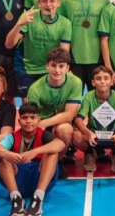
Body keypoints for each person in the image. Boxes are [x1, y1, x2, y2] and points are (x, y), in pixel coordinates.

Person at [0, 102, 63, 216]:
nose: (28, 121)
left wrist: (35, 151)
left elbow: (60, 144)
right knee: (2, 156)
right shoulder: (12, 137)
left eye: (32, 117)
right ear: (19, 121)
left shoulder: (44, 135)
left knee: (52, 152)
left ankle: (38, 199)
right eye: (24, 118)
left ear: (39, 120)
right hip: (19, 181)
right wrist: (7, 153)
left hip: (39, 179)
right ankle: (16, 200)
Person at [26, 47, 82, 178]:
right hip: (41, 125)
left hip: (59, 123)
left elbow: (69, 115)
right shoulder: (35, 88)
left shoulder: (75, 83)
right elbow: (32, 117)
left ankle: (56, 162)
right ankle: (43, 160)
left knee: (65, 129)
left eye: (61, 66)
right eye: (53, 65)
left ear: (68, 68)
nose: (57, 70)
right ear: (47, 66)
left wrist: (45, 122)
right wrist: (40, 126)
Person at [6, 0, 71, 95]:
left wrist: (62, 72)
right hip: (26, 68)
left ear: (58, 3)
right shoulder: (29, 16)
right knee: (29, 108)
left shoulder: (65, 23)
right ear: (38, 3)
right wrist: (19, 24)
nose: (48, 5)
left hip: (50, 70)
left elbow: (63, 54)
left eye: (52, 1)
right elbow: (9, 44)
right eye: (44, 1)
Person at [59, 0, 110, 90]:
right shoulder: (67, 2)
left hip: (97, 59)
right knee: (73, 98)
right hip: (74, 59)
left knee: (98, 99)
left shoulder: (104, 0)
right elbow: (61, 30)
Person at [73, 66, 115, 173]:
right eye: (98, 79)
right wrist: (88, 133)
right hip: (94, 136)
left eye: (106, 78)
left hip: (113, 136)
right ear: (93, 82)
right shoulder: (88, 97)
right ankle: (90, 153)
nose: (102, 82)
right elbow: (78, 120)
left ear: (111, 81)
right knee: (76, 136)